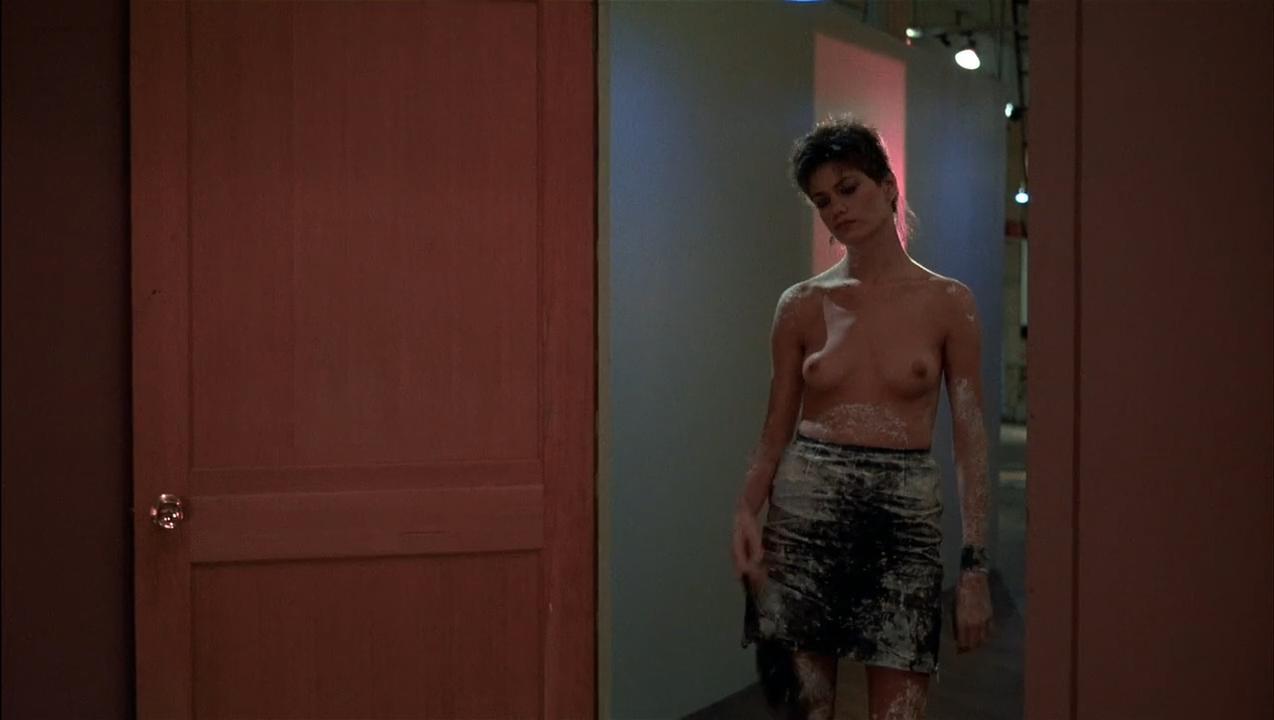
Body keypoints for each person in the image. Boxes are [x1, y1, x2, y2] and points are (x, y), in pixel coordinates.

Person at [732, 116, 994, 720]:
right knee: (805, 710)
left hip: (902, 522)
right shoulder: (802, 305)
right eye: (823, 201)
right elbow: (774, 431)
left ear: (888, 185)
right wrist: (746, 510)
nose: (837, 209)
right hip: (805, 519)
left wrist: (975, 566)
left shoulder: (947, 303)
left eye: (848, 189)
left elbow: (971, 441)